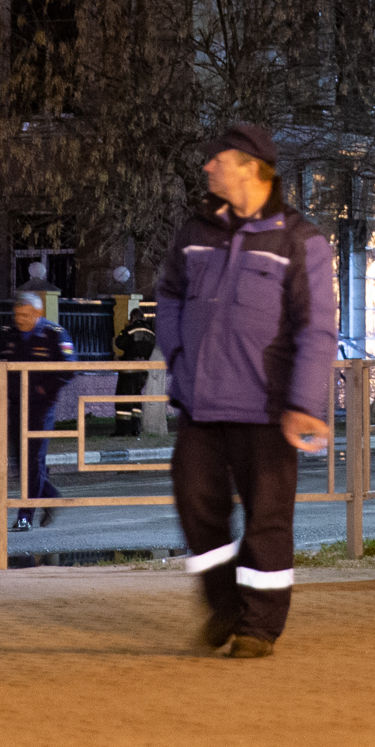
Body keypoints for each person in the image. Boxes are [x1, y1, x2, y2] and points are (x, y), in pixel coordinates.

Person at [157, 122, 337, 659]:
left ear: (249, 166)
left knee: (267, 518)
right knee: (195, 504)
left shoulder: (301, 241)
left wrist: (303, 404)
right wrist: (179, 356)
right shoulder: (195, 231)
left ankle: (259, 625)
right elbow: (168, 296)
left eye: (217, 159)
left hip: (267, 409)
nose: (207, 167)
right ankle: (224, 605)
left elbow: (318, 329)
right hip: (201, 402)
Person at [3, 293, 77, 531]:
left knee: (32, 460)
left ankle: (25, 515)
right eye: (17, 314)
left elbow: (69, 367)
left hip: (41, 407)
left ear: (38, 313)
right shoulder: (10, 334)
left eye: (25, 315)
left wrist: (46, 388)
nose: (19, 319)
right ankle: (51, 497)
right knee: (19, 462)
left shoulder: (53, 334)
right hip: (16, 405)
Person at [113, 300, 158, 438]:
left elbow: (119, 343)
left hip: (129, 369)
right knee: (137, 397)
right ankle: (135, 429)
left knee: (124, 397)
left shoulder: (131, 329)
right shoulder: (151, 332)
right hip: (143, 369)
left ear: (132, 318)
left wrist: (125, 328)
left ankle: (122, 430)